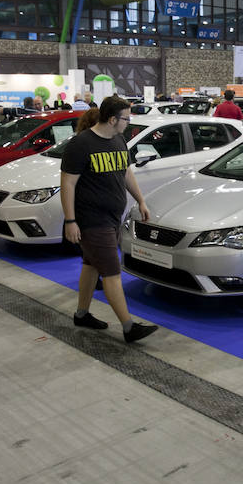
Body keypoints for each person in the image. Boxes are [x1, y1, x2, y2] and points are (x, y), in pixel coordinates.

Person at [60, 95, 158, 344]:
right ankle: (128, 327)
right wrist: (70, 221)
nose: (129, 122)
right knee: (112, 272)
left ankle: (82, 314)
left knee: (91, 265)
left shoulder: (118, 139)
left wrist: (141, 200)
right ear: (113, 119)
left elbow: (126, 172)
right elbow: (68, 184)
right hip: (92, 219)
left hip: (113, 217)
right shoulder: (80, 145)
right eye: (126, 118)